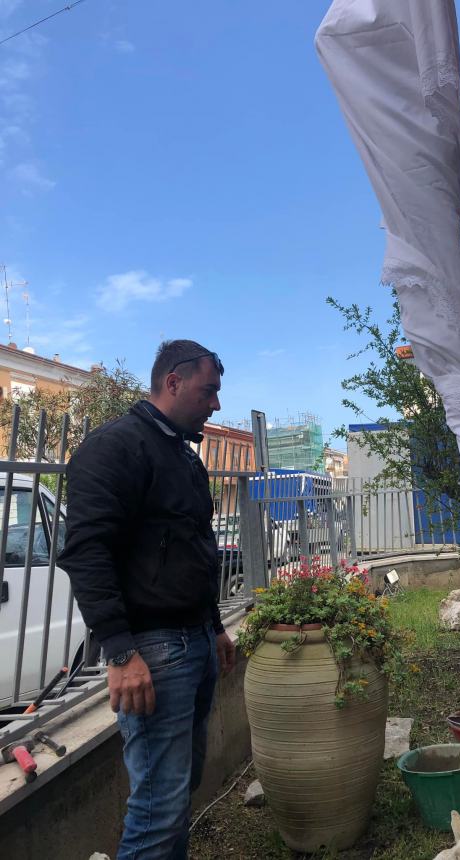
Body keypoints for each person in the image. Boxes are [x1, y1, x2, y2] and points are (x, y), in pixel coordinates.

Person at [59, 339, 236, 860]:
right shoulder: (114, 448)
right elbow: (87, 553)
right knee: (158, 810)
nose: (216, 404)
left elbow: (193, 551)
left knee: (176, 794)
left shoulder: (182, 456)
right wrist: (119, 651)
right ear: (173, 382)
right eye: (209, 391)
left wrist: (215, 626)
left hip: (195, 643)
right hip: (153, 653)